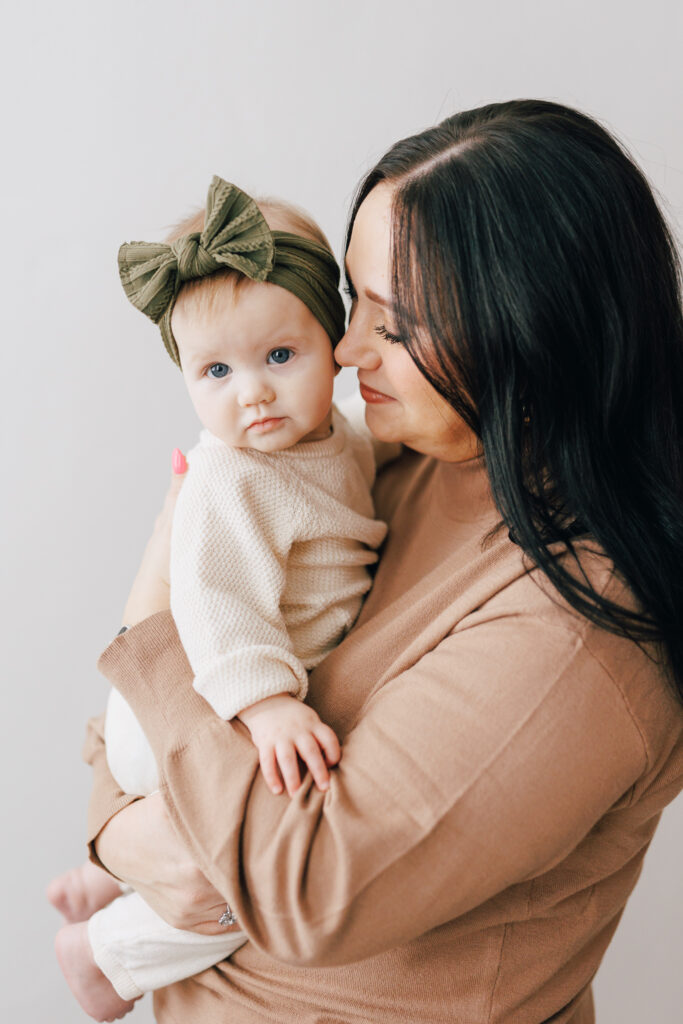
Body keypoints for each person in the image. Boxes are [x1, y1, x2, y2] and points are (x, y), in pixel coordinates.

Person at [63, 101, 683, 1022]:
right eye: (354, 304)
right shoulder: (389, 464)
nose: (347, 350)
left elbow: (301, 887)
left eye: (395, 327)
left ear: (532, 333)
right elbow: (123, 738)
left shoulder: (579, 633)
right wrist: (122, 832)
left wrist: (155, 622)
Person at [48, 177, 389, 1020]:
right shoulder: (232, 480)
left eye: (280, 356)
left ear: (332, 342)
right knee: (268, 874)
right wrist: (267, 705)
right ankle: (104, 956)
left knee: (230, 842)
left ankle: (104, 869)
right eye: (215, 371)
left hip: (208, 701)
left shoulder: (337, 432)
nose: (253, 394)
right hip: (198, 696)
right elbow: (211, 606)